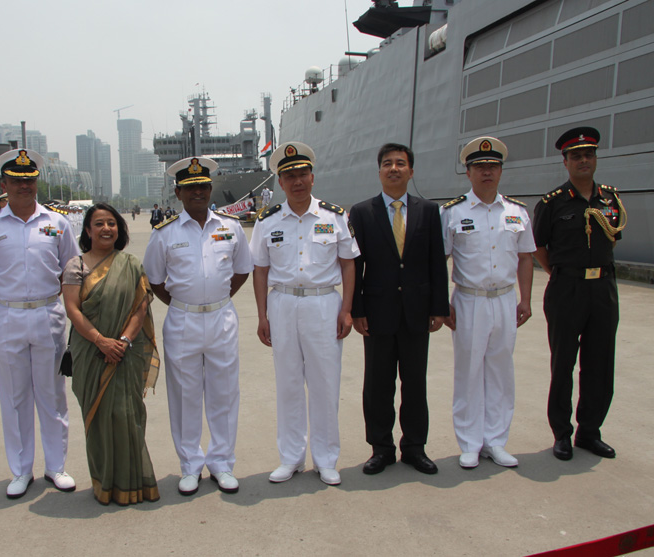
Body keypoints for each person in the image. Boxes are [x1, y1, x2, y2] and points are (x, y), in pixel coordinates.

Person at [250, 142, 359, 486]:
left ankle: (326, 459)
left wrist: (347, 309)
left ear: (313, 177)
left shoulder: (334, 217)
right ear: (280, 183)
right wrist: (262, 315)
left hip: (323, 303)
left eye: (302, 174)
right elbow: (260, 271)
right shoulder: (268, 221)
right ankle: (291, 457)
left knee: (325, 383)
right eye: (289, 176)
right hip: (282, 303)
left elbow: (348, 264)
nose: (297, 181)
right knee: (289, 384)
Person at [143, 156, 252, 496]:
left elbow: (242, 270)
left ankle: (222, 463)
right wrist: (185, 304)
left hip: (221, 317)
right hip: (182, 321)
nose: (198, 193)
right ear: (178, 193)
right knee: (185, 395)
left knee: (224, 393)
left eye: (203, 187)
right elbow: (155, 280)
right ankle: (190, 465)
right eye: (190, 188)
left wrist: (216, 298)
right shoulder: (164, 234)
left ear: (210, 188)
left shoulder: (230, 227)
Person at [0, 148, 80, 498]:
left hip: (48, 313)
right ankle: (21, 470)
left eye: (30, 180)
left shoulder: (57, 223)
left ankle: (56, 466)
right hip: (7, 315)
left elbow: (71, 269)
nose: (25, 186)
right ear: (4, 184)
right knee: (14, 394)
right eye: (17, 181)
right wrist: (11, 302)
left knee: (52, 393)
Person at [348, 143, 449, 476]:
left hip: (417, 311)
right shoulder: (362, 212)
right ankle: (381, 448)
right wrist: (357, 309)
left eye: (401, 164)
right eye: (388, 164)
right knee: (377, 383)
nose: (394, 169)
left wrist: (439, 307)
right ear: (379, 171)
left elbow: (437, 262)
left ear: (411, 171)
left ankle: (415, 447)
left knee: (415, 382)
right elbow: (356, 265)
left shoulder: (429, 211)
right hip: (377, 312)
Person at [440, 137, 535, 469]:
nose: (487, 172)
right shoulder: (452, 213)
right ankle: (469, 442)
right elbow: (440, 260)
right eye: (480, 167)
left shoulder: (517, 212)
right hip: (470, 300)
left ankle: (496, 440)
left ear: (500, 171)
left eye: (492, 166)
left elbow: (526, 258)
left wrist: (526, 299)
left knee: (500, 371)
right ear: (468, 172)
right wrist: (442, 303)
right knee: (468, 371)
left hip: (506, 300)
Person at [532, 126, 626, 461]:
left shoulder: (610, 199)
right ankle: (562, 433)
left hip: (603, 288)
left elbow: (612, 239)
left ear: (595, 158)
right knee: (564, 363)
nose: (583, 160)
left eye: (588, 155)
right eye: (576, 156)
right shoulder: (552, 203)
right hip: (566, 289)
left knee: (600, 363)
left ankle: (590, 431)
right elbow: (539, 247)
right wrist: (563, 271)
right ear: (566, 162)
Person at [62, 203, 160, 505]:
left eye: (112, 223)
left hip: (125, 352)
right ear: (88, 230)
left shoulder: (130, 264)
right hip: (90, 352)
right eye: (100, 224)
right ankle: (104, 483)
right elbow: (72, 309)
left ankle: (134, 483)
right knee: (99, 417)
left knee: (127, 415)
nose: (107, 229)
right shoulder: (75, 266)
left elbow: (140, 306)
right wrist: (101, 341)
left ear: (119, 229)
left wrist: (123, 341)